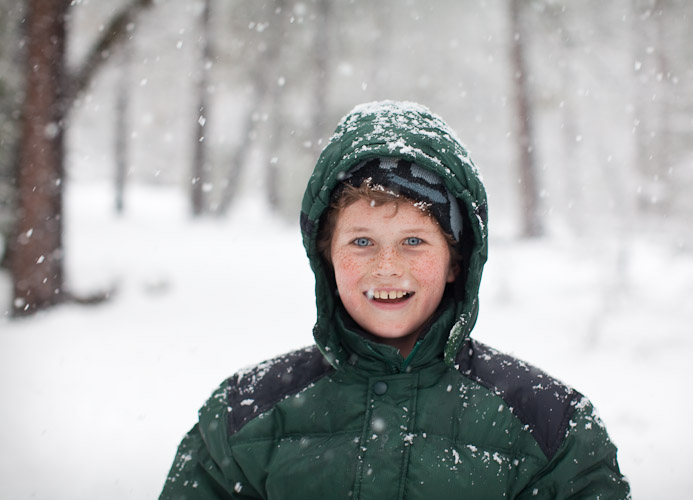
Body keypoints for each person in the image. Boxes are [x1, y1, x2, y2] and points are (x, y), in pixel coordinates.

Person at [159, 101, 630, 499]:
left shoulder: (549, 426)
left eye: (414, 242)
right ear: (327, 256)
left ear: (455, 262)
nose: (387, 267)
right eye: (362, 242)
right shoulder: (242, 417)